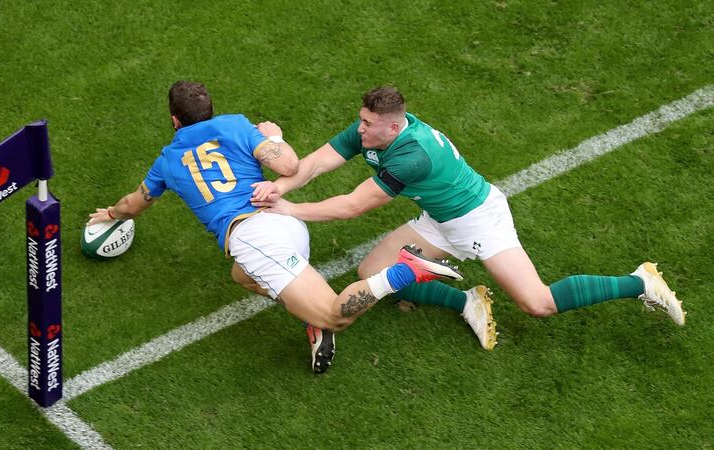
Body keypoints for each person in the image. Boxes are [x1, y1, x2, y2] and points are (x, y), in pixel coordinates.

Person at [250, 86, 686, 350]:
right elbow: (319, 162)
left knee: (537, 303)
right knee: (372, 271)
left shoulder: (411, 156)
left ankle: (640, 282)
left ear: (394, 127)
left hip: (478, 220)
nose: (359, 129)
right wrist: (281, 187)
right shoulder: (373, 130)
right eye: (360, 120)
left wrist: (291, 210)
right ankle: (468, 302)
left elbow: (353, 206)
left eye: (367, 124)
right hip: (440, 218)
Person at [88, 81, 462, 373]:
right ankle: (313, 316)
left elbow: (134, 203)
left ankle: (403, 272)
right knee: (242, 276)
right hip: (285, 222)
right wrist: (274, 137)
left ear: (174, 121)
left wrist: (112, 215)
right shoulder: (236, 125)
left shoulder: (167, 161)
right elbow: (289, 166)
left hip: (257, 239)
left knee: (336, 315)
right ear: (210, 109)